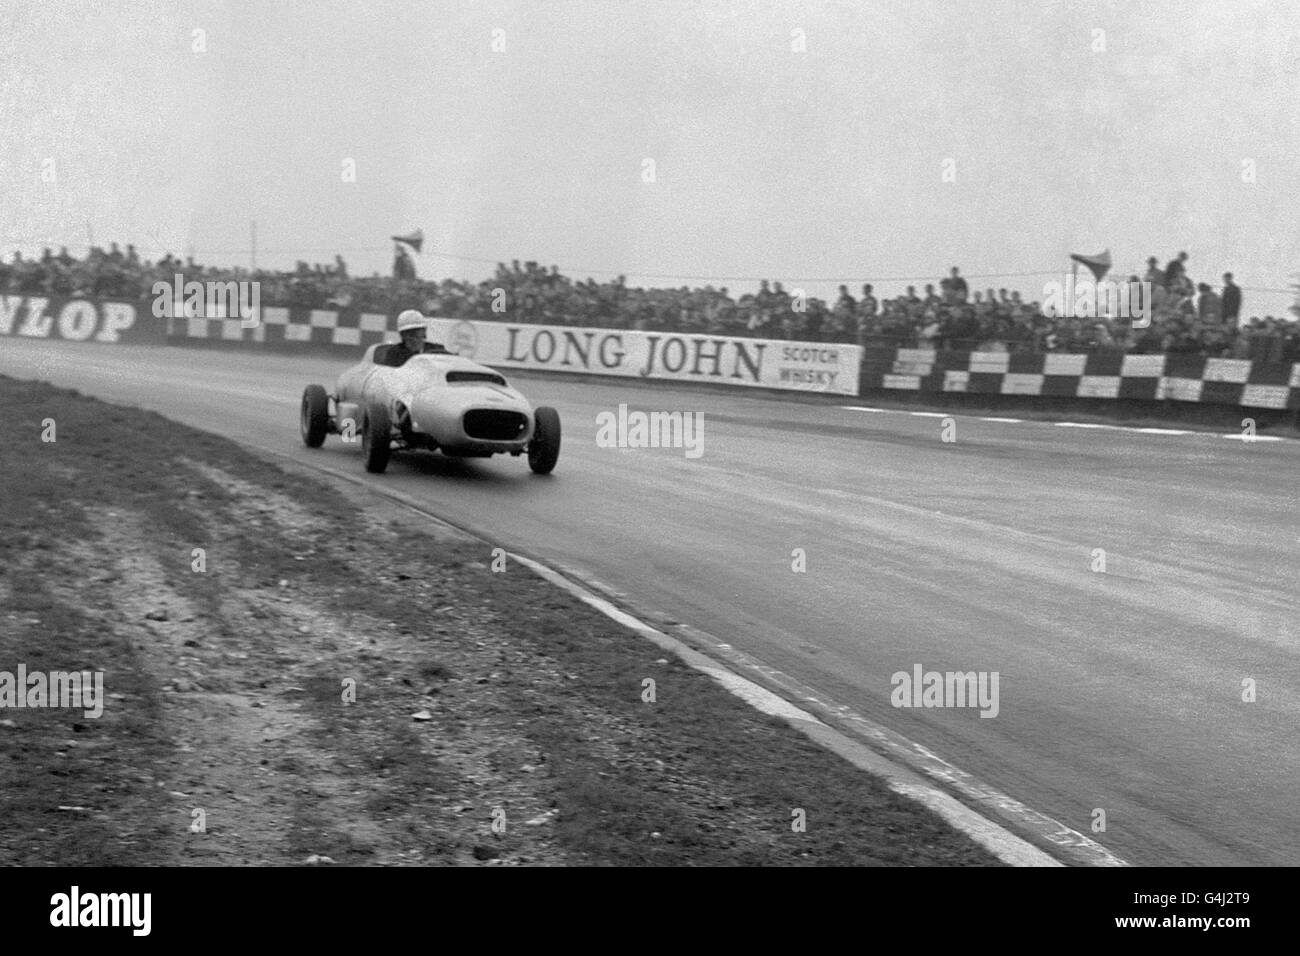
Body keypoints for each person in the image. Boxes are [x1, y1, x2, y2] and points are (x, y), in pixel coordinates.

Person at [380, 310, 449, 366]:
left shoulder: (438, 351)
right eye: (408, 333)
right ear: (402, 336)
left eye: (417, 332)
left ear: (424, 333)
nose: (413, 338)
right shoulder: (394, 354)